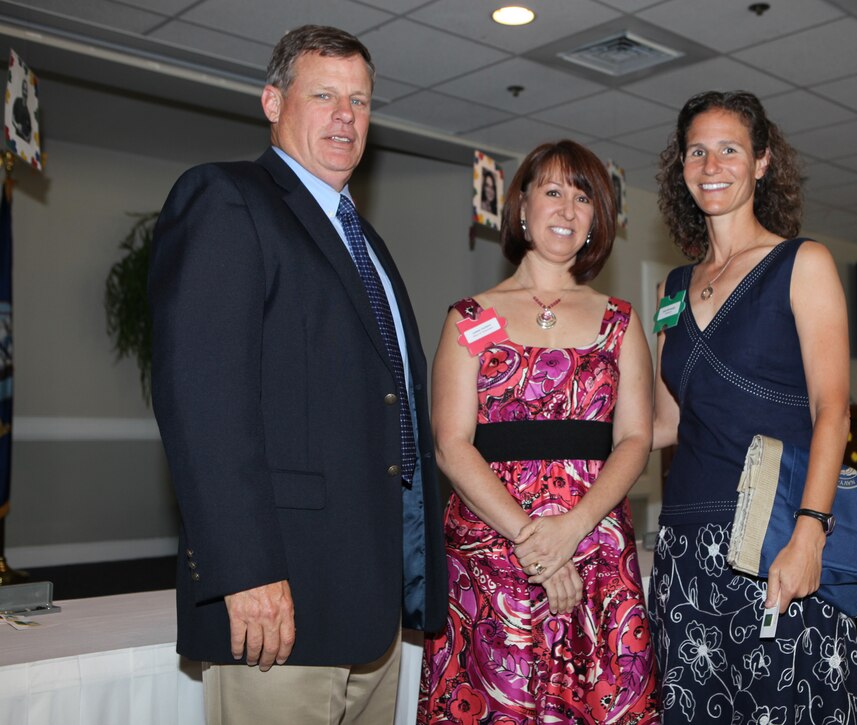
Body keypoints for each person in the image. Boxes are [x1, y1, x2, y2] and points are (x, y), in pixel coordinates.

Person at [149, 25, 446, 724]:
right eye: (324, 96)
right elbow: (202, 402)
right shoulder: (226, 199)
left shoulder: (364, 240)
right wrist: (245, 570)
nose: (346, 116)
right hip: (277, 602)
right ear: (272, 101)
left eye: (361, 101)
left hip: (366, 610)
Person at [419, 140, 661, 722]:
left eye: (583, 198)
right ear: (522, 207)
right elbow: (451, 445)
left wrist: (572, 529)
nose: (568, 210)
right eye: (553, 192)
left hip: (597, 548)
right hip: (492, 551)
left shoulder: (620, 321)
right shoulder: (470, 317)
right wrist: (537, 544)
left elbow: (635, 439)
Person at [649, 91, 857, 723]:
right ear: (680, 166)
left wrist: (810, 531)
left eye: (729, 149)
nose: (711, 163)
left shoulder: (803, 263)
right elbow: (663, 423)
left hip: (777, 536)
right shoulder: (671, 288)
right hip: (687, 543)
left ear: (763, 162)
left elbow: (835, 411)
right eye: (696, 150)